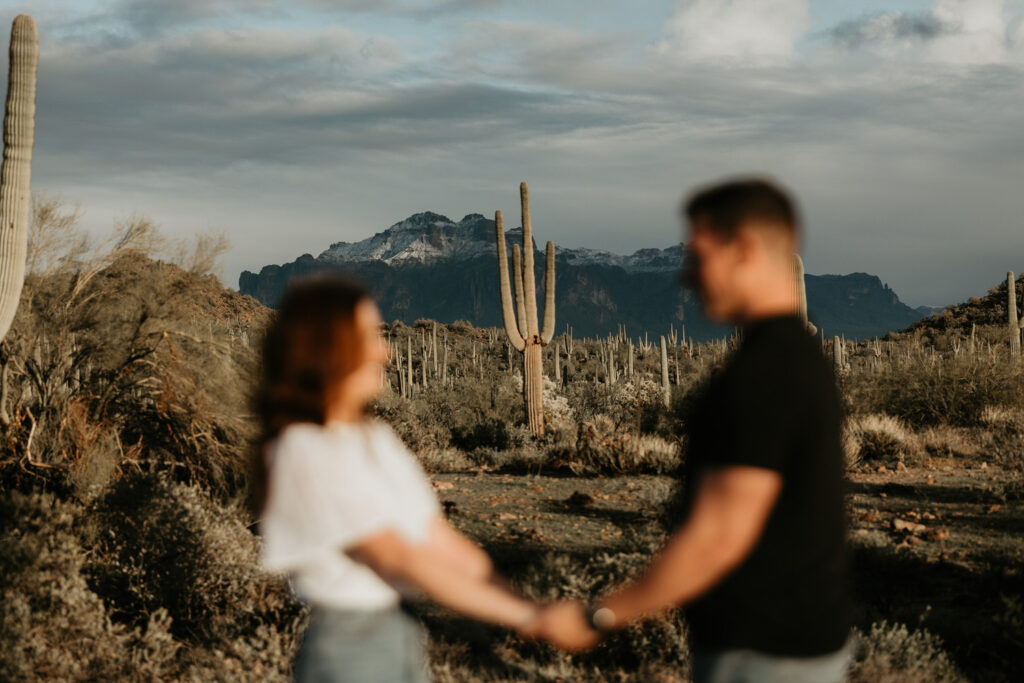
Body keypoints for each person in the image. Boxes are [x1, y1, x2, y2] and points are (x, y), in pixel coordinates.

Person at [526, 177, 855, 682]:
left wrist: (601, 615)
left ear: (744, 249)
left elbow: (719, 535)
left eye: (698, 256)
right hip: (801, 641)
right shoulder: (799, 358)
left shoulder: (764, 375)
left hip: (761, 651)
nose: (687, 277)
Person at [252, 276, 539, 682]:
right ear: (326, 348)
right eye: (367, 336)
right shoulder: (303, 450)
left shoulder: (377, 439)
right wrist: (526, 615)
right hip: (350, 648)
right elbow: (398, 556)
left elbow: (436, 538)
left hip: (400, 631)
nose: (384, 350)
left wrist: (531, 610)